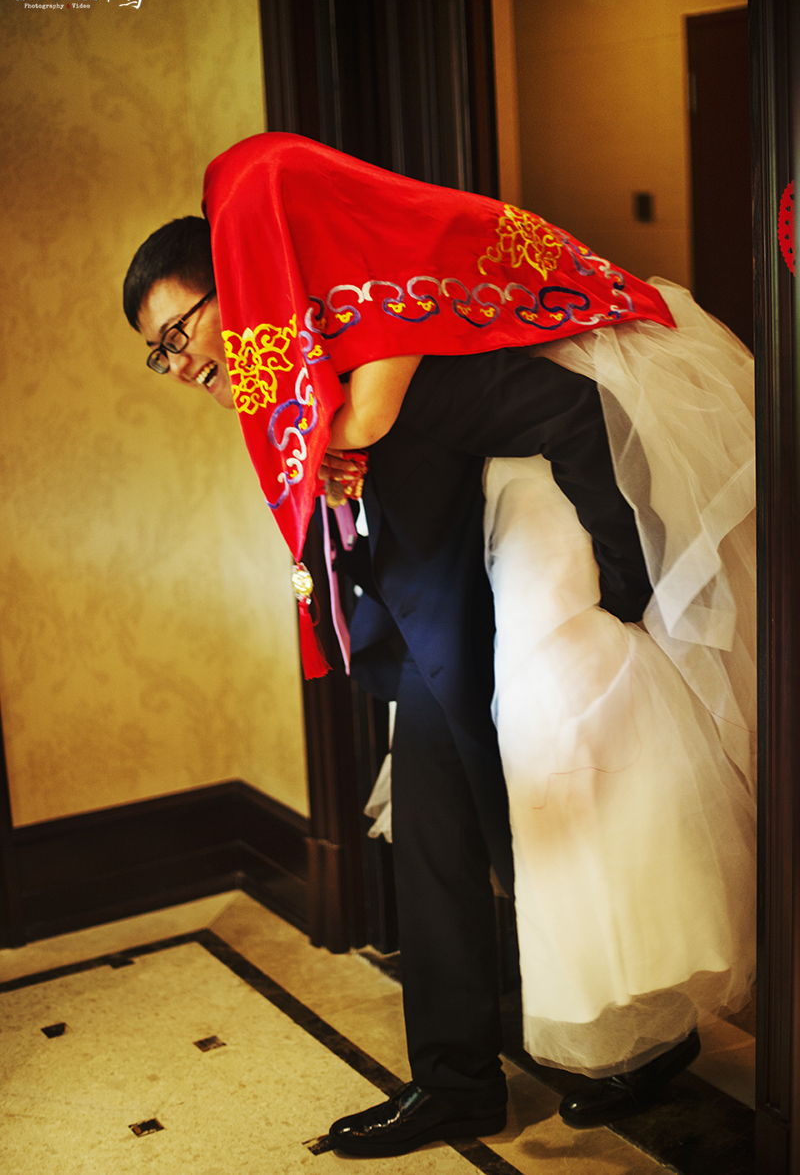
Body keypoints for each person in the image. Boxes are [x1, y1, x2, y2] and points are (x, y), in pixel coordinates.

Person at [123, 133, 756, 1158]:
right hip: (447, 615)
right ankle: (468, 1078)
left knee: (579, 822)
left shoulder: (393, 349)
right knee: (446, 833)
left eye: (179, 330)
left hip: (534, 600)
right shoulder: (323, 378)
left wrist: (628, 589)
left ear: (241, 279)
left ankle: (621, 1042)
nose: (181, 362)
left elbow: (570, 409)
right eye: (159, 353)